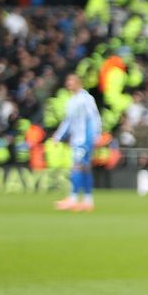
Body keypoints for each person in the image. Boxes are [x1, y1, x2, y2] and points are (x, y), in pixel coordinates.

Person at [52, 73, 101, 211]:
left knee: (77, 167)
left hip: (84, 139)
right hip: (76, 139)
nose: (68, 83)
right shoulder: (72, 100)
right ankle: (87, 201)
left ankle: (73, 198)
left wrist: (96, 135)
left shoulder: (86, 99)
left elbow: (94, 117)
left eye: (71, 80)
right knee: (85, 169)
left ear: (79, 82)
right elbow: (67, 121)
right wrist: (58, 136)